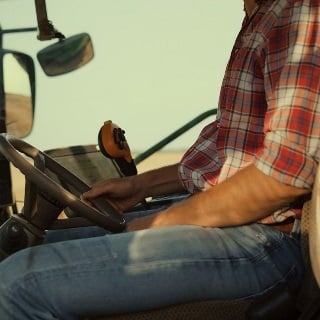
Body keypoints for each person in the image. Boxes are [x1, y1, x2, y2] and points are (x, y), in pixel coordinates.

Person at [0, 0, 319, 319]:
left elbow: (283, 177)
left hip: (262, 244)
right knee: (34, 246)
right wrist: (139, 186)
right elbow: (229, 154)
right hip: (235, 228)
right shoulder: (258, 17)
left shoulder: (297, 11)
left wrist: (162, 221)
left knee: (16, 284)